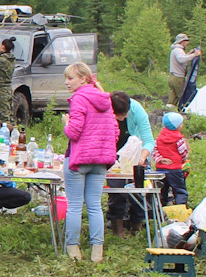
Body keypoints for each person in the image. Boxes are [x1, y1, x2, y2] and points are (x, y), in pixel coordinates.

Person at [62, 62, 117, 263]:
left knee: (75, 206)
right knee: (95, 206)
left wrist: (66, 124)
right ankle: (97, 251)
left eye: (70, 78)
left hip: (79, 159)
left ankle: (73, 248)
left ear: (84, 79)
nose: (67, 82)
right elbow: (115, 131)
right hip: (101, 160)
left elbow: (74, 132)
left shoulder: (79, 98)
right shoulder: (105, 99)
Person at [108, 90, 157, 236]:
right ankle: (117, 227)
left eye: (125, 113)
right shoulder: (104, 112)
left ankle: (136, 225)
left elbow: (148, 140)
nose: (124, 117)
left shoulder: (137, 110)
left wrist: (142, 157)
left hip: (136, 153)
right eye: (120, 115)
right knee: (116, 190)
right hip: (113, 154)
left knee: (138, 188)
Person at [154, 111, 191, 206]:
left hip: (160, 169)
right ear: (177, 126)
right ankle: (180, 208)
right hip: (175, 169)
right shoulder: (179, 139)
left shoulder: (159, 137)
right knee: (179, 190)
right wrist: (183, 160)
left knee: (162, 190)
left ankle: (160, 211)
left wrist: (160, 159)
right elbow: (183, 152)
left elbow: (155, 150)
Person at [167, 33, 201, 108]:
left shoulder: (175, 50)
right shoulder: (179, 50)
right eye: (186, 40)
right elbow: (181, 59)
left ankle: (167, 113)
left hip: (172, 77)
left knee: (172, 101)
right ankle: (185, 114)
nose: (187, 43)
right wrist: (194, 55)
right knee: (183, 99)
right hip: (178, 78)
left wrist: (189, 53)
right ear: (181, 41)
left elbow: (182, 58)